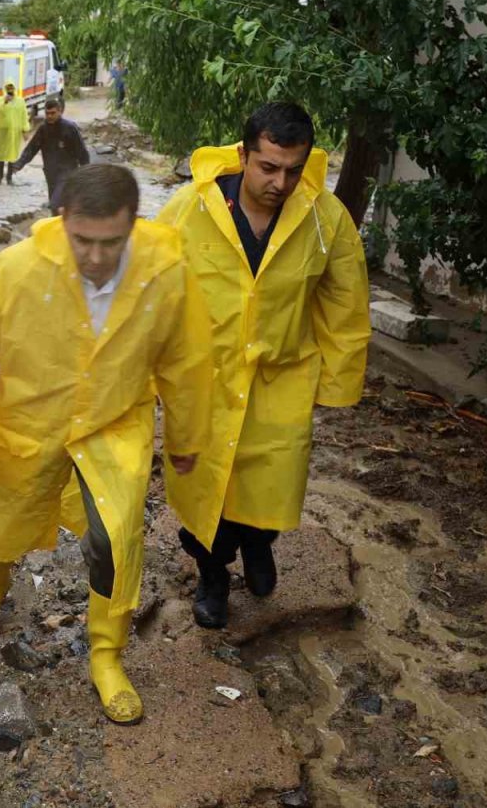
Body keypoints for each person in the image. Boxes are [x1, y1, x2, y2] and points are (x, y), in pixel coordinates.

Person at [0, 163, 213, 723]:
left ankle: (106, 653)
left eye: (110, 242)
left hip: (115, 421)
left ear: (133, 224)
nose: (94, 256)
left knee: (115, 538)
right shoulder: (18, 268)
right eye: (82, 240)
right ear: (63, 219)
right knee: (5, 515)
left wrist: (186, 435)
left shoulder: (165, 274)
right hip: (30, 417)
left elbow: (185, 361)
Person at [157, 102, 371, 630]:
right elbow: (151, 292)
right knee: (207, 490)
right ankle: (212, 576)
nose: (281, 183)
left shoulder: (324, 217)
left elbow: (345, 303)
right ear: (244, 154)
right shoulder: (190, 209)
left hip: (282, 380)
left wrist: (337, 383)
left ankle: (259, 543)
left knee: (271, 484)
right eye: (269, 167)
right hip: (206, 382)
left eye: (293, 171)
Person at [10, 98, 90, 211]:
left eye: (53, 113)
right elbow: (31, 149)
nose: (49, 116)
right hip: (50, 173)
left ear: (60, 111)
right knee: (55, 206)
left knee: (56, 203)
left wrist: (86, 172)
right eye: (47, 113)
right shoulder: (43, 129)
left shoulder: (70, 128)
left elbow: (81, 151)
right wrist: (18, 164)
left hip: (67, 172)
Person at [0, 83, 28, 186]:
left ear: (14, 89)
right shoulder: (0, 100)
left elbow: (24, 116)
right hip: (3, 132)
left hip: (15, 132)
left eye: (11, 89)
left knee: (12, 155)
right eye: (8, 89)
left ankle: (9, 178)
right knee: (1, 155)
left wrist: (25, 130)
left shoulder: (20, 101)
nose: (10, 91)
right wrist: (5, 102)